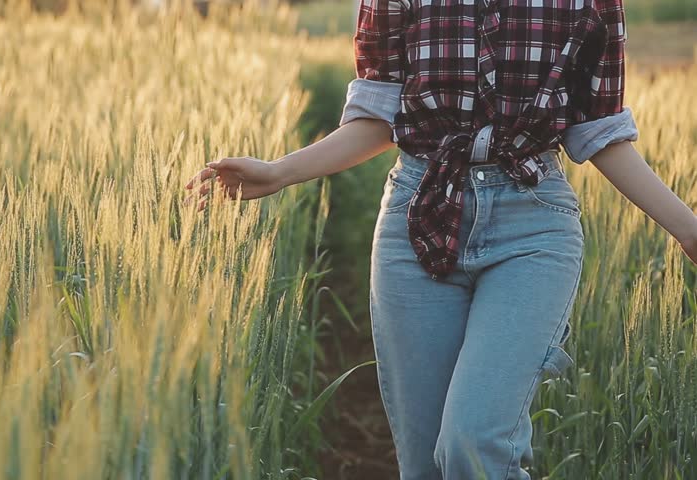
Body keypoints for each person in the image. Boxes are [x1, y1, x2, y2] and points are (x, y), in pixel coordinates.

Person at [183, 0, 697, 477]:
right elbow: (378, 119)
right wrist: (278, 174)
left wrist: (688, 228)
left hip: (533, 224)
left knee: (471, 446)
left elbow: (599, 130)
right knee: (425, 463)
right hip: (418, 215)